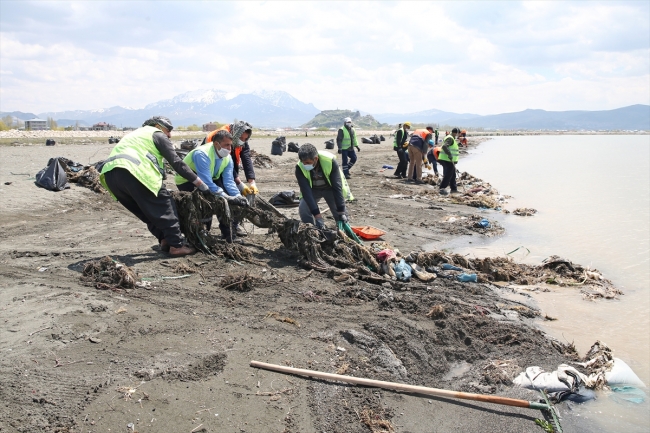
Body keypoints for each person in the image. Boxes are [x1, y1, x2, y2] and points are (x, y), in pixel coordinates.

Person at [100, 116, 208, 257]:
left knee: (145, 211)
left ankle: (164, 240)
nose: (169, 135)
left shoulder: (135, 134)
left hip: (110, 175)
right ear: (158, 126)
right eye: (168, 130)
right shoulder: (156, 134)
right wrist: (200, 184)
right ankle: (176, 245)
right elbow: (177, 162)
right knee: (165, 205)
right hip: (135, 171)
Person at [176, 129, 249, 243]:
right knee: (206, 204)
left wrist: (236, 196)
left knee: (228, 202)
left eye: (230, 145)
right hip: (189, 180)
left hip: (210, 178)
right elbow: (206, 183)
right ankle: (201, 235)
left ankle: (229, 235)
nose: (229, 149)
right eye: (226, 145)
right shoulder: (202, 154)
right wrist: (226, 197)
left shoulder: (227, 157)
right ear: (216, 144)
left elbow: (229, 181)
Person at [203, 121, 256, 237]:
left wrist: (252, 181)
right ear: (236, 133)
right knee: (218, 200)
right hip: (210, 171)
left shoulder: (241, 140)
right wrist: (239, 183)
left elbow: (245, 158)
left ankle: (233, 228)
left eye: (245, 138)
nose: (242, 140)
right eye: (241, 138)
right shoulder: (220, 137)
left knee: (236, 197)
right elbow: (223, 159)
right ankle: (207, 231)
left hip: (227, 170)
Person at [295, 143, 354, 229]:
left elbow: (337, 187)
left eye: (307, 162)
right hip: (313, 190)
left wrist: (341, 212)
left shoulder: (329, 161)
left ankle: (344, 230)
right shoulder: (299, 167)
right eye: (303, 162)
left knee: (340, 214)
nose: (305, 165)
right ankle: (310, 230)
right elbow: (306, 191)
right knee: (304, 208)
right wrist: (317, 216)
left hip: (330, 189)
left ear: (316, 158)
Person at [438, 127, 461, 195]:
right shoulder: (450, 138)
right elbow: (445, 146)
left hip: (449, 160)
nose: (458, 135)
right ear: (455, 133)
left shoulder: (452, 138)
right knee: (448, 174)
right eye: (458, 133)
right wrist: (449, 154)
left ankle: (453, 189)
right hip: (447, 159)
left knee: (453, 174)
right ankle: (442, 188)